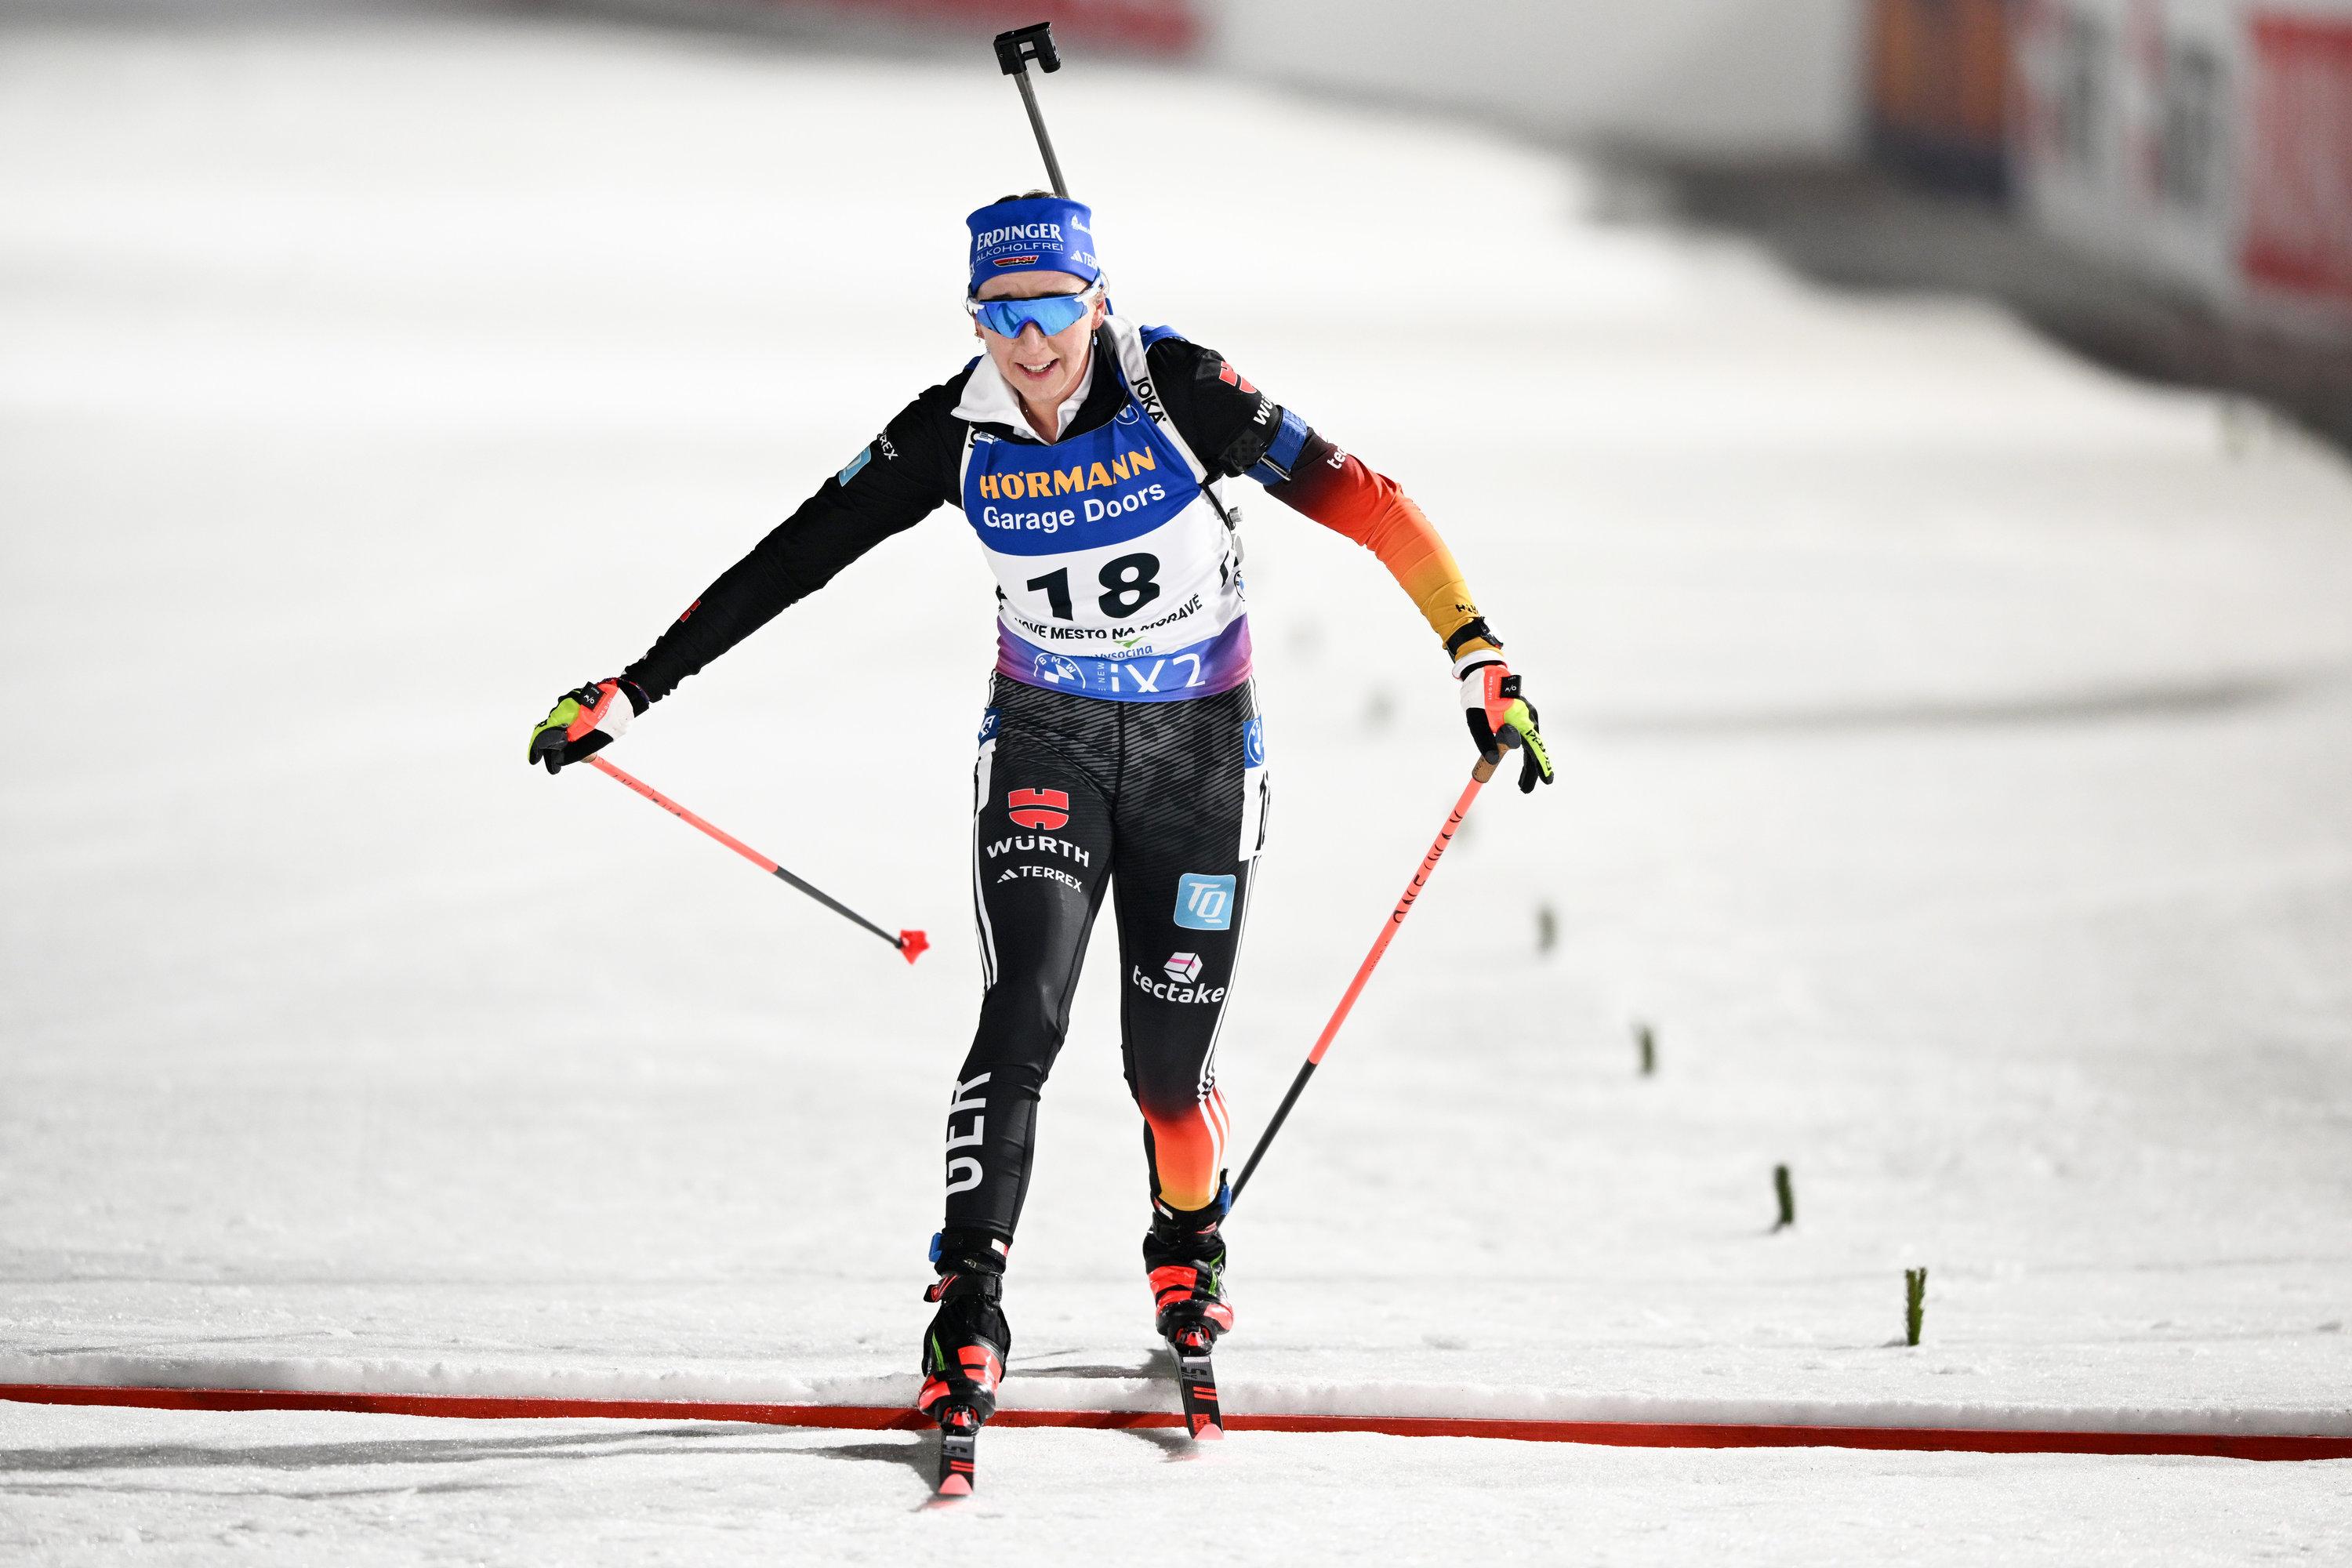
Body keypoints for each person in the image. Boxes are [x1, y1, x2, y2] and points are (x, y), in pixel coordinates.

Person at [528, 191, 1552, 1438]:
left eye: (1052, 311)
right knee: (1022, 1012)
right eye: (1000, 316)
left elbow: (1370, 502)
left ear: (1096, 299)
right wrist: (636, 687)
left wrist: (1475, 652)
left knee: (1164, 1078)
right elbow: (796, 554)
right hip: (1048, 743)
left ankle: (1187, 1244)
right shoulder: (949, 436)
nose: (1030, 344)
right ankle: (969, 1293)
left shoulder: (1179, 390)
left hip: (1196, 756)